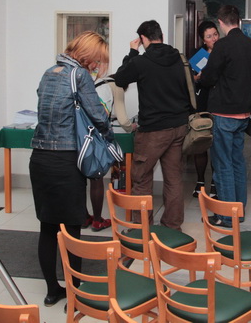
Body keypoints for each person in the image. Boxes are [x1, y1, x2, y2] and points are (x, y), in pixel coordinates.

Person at [29, 31, 113, 306]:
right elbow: (98, 116)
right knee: (72, 229)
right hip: (66, 161)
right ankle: (75, 292)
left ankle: (52, 290)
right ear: (87, 55)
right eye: (98, 59)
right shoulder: (80, 76)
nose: (98, 65)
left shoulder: (49, 72)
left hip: (40, 159)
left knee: (47, 227)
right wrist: (107, 130)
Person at [112, 20, 192, 230]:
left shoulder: (141, 62)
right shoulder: (179, 58)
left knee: (141, 178)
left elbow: (120, 79)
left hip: (153, 131)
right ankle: (172, 226)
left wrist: (132, 52)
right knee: (173, 178)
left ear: (143, 39)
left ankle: (142, 229)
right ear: (161, 36)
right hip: (178, 127)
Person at [199, 4, 251, 227]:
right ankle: (239, 212)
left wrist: (203, 77)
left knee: (222, 164)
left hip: (224, 112)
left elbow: (208, 77)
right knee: (237, 162)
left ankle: (226, 216)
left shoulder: (222, 46)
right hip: (244, 112)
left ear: (221, 23)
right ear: (238, 21)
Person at [83, 75, 133, 232]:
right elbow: (123, 120)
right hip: (96, 134)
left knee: (81, 177)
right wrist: (132, 127)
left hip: (81, 131)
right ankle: (98, 220)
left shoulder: (98, 82)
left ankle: (83, 217)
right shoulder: (117, 86)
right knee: (96, 177)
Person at [190, 20, 219, 199]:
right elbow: (189, 78)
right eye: (209, 36)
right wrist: (197, 78)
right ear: (203, 39)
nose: (214, 38)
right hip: (201, 103)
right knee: (200, 143)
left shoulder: (224, 52)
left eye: (215, 34)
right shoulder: (197, 55)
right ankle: (200, 181)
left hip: (219, 103)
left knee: (216, 145)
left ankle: (215, 182)